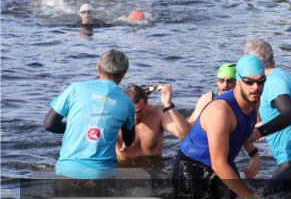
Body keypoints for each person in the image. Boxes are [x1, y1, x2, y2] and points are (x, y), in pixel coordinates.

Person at [172, 55, 265, 199]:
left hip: (223, 162)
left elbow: (241, 133)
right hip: (192, 167)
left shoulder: (254, 100)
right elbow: (219, 164)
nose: (256, 87)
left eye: (261, 81)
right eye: (249, 81)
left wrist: (254, 155)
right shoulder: (220, 111)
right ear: (239, 81)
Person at [243, 38, 291, 199]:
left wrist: (258, 133)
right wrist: (265, 125)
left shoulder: (273, 81)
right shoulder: (278, 76)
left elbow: (289, 114)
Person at [43, 49, 136, 179]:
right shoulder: (127, 103)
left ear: (98, 68)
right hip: (103, 174)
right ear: (124, 73)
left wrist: (76, 127)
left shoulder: (75, 88)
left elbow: (49, 124)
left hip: (67, 170)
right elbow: (129, 140)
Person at [118, 84, 192, 159]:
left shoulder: (158, 113)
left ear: (147, 104)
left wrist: (168, 105)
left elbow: (186, 135)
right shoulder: (114, 118)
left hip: (154, 167)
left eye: (139, 111)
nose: (135, 117)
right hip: (124, 167)